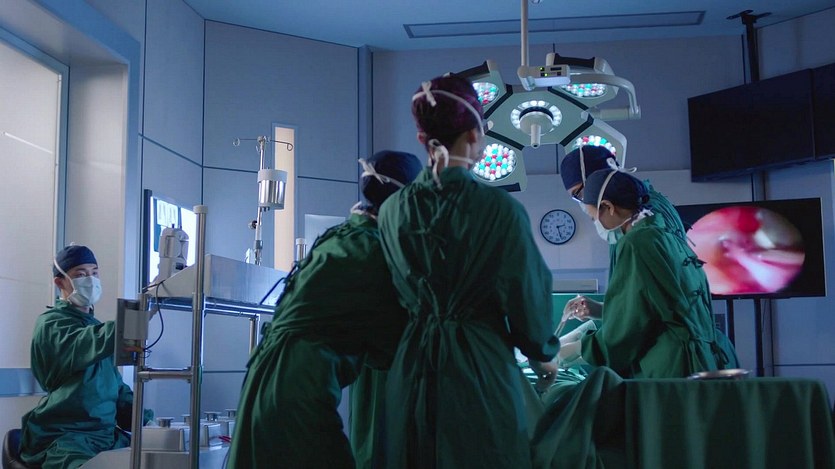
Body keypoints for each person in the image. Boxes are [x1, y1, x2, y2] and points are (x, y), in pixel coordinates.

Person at [377, 74, 560, 469]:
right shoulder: (499, 210)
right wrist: (544, 354)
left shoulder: (391, 211)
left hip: (410, 372)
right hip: (478, 371)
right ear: (475, 134)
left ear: (422, 139)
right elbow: (528, 298)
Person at [227, 150, 423, 469]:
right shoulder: (374, 250)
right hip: (297, 389)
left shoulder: (342, 237)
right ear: (404, 202)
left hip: (265, 380)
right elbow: (393, 346)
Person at [558, 168, 738, 377]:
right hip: (701, 358)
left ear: (608, 207)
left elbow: (626, 331)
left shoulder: (636, 243)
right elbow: (653, 306)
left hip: (673, 367)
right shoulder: (662, 233)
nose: (596, 224)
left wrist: (570, 352)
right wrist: (601, 311)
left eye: (593, 218)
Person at [20, 245, 138, 469]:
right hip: (66, 437)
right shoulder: (51, 324)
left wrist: (147, 422)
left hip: (105, 436)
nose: (90, 279)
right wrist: (137, 313)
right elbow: (87, 342)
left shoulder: (94, 326)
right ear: (60, 282)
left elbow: (114, 386)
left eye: (94, 272)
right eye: (81, 274)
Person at [559, 144, 688, 320]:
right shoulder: (631, 220)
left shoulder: (642, 233)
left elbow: (653, 312)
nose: (584, 203)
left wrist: (605, 327)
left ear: (599, 181)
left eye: (579, 194)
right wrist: (602, 310)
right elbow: (644, 301)